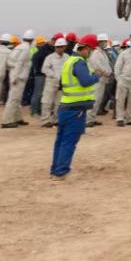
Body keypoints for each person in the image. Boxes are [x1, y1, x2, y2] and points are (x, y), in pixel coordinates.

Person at [51, 35, 100, 178]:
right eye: (90, 50)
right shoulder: (79, 62)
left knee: (61, 140)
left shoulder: (69, 61)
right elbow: (85, 81)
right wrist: (96, 76)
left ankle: (55, 169)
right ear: (85, 48)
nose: (90, 53)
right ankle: (61, 171)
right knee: (69, 141)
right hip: (75, 109)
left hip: (65, 106)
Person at [2, 32, 34, 127]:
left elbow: (9, 62)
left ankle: (17, 118)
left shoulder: (19, 47)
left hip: (15, 76)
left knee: (17, 99)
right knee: (13, 99)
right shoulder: (26, 49)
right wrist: (14, 77)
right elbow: (20, 63)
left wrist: (13, 73)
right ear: (32, 40)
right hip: (18, 78)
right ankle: (7, 121)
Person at [87, 33, 114, 126]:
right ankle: (88, 120)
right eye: (104, 41)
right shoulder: (96, 53)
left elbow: (106, 65)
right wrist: (107, 72)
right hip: (97, 79)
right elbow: (98, 66)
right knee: (94, 100)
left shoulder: (102, 53)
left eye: (106, 41)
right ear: (99, 42)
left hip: (102, 79)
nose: (105, 43)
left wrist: (109, 72)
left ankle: (92, 118)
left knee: (98, 100)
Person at [40, 36, 67, 127]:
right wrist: (54, 75)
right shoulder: (50, 58)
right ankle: (45, 120)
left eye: (61, 47)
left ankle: (56, 119)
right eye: (58, 47)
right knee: (47, 102)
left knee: (59, 103)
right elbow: (44, 69)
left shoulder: (67, 57)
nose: (59, 48)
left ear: (64, 47)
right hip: (51, 82)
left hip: (62, 83)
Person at [28, 35, 52, 118]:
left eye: (43, 43)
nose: (43, 44)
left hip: (42, 75)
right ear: (38, 44)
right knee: (38, 93)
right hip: (39, 75)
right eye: (41, 43)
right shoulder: (38, 54)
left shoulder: (42, 53)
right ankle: (34, 111)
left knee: (42, 94)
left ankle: (39, 110)